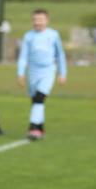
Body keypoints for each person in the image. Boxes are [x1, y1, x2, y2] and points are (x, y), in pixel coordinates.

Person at [17, 8, 67, 140]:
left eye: (40, 19)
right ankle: (41, 129)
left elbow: (60, 54)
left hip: (48, 71)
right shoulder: (28, 36)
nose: (37, 22)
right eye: (35, 19)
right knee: (36, 101)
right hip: (32, 72)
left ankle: (32, 128)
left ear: (47, 21)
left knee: (40, 97)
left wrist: (63, 73)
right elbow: (23, 56)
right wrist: (20, 73)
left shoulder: (53, 35)